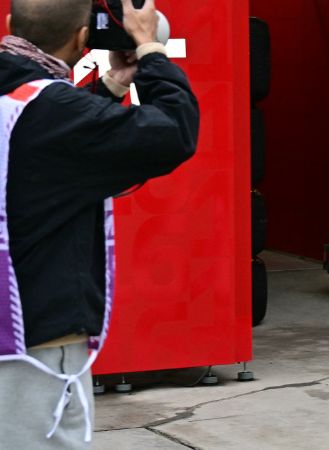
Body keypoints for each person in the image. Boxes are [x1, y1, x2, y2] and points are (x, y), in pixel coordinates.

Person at [0, 0, 199, 448]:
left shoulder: (24, 103)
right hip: (33, 342)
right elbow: (173, 132)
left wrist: (111, 85)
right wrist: (150, 51)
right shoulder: (55, 112)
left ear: (11, 24)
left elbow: (37, 140)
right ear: (82, 39)